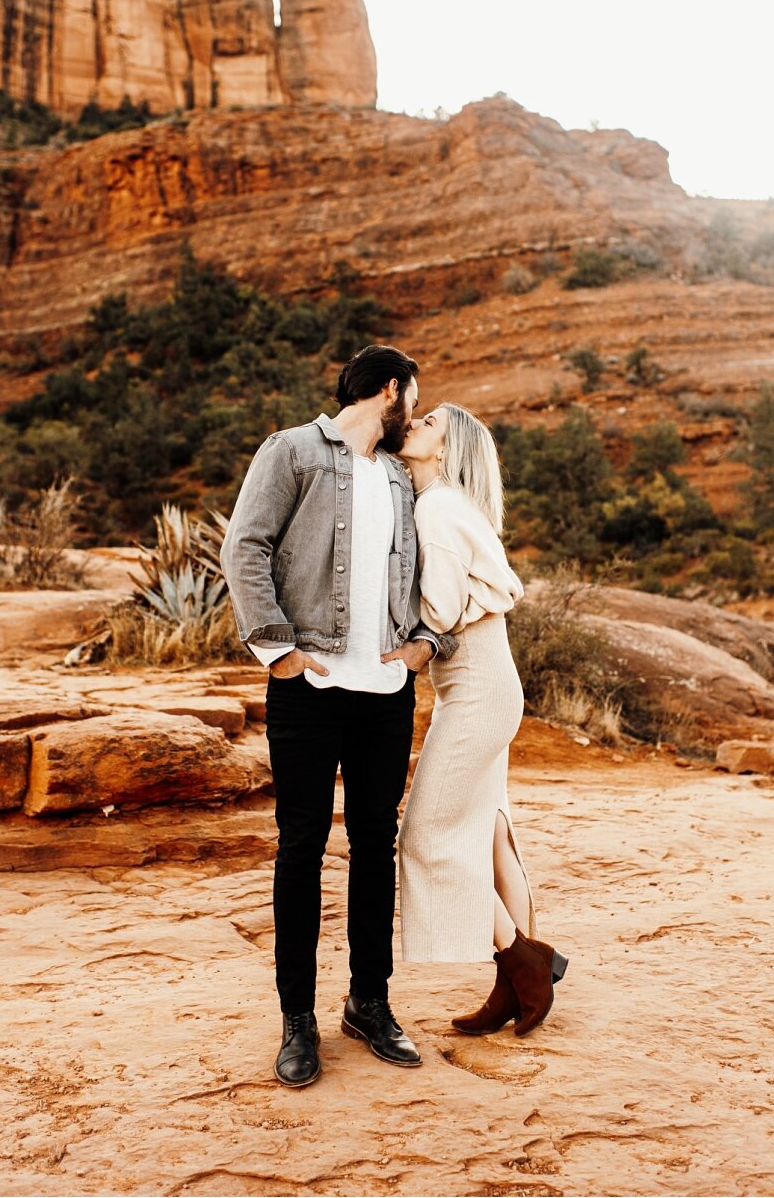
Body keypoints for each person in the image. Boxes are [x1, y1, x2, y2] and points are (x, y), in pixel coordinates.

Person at [223, 344, 457, 1089]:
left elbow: (427, 569)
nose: (415, 413)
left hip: (387, 692)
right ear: (389, 389)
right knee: (299, 845)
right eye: (412, 398)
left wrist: (426, 642)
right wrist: (279, 651)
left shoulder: (399, 475)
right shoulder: (291, 450)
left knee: (373, 845)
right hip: (308, 685)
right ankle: (297, 1018)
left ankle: (370, 1000)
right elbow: (245, 547)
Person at [394, 402, 567, 1034]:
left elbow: (437, 612)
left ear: (445, 450)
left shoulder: (436, 507)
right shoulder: (450, 505)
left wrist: (396, 637)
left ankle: (526, 962)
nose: (414, 424)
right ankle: (516, 986)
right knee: (491, 835)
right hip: (488, 683)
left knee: (426, 834)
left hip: (474, 691)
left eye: (429, 423)